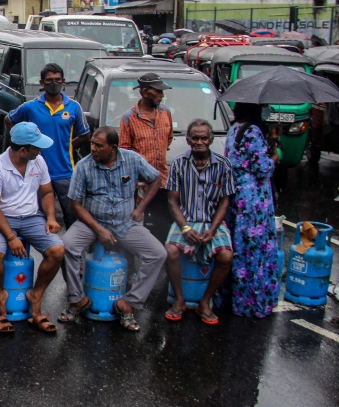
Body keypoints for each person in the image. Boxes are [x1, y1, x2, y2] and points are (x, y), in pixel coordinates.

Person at [59, 126, 166, 332]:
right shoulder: (84, 166)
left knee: (157, 253)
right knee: (66, 246)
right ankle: (76, 299)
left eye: (98, 146)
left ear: (113, 148)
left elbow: (155, 179)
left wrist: (141, 208)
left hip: (124, 223)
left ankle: (130, 302)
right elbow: (75, 205)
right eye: (92, 144)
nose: (93, 149)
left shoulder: (132, 160)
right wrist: (98, 229)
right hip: (92, 222)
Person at [0, 122, 64, 334]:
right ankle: (0, 301)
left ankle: (35, 297)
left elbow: (47, 192)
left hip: (31, 217)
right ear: (22, 150)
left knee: (57, 250)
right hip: (2, 218)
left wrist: (51, 217)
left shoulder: (38, 162)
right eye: (36, 147)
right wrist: (10, 237)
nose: (40, 150)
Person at [164, 119, 235, 325]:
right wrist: (185, 228)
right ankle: (179, 300)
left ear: (211, 139)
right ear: (188, 140)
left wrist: (212, 230)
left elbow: (225, 201)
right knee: (170, 251)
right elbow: (172, 201)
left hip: (212, 222)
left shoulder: (224, 165)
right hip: (185, 220)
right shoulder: (178, 163)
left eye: (204, 138)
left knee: (226, 256)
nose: (199, 142)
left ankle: (205, 302)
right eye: (195, 138)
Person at [6, 63, 90, 229]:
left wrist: (67, 145)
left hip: (65, 171)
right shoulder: (30, 107)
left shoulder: (74, 107)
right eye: (49, 80)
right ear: (42, 83)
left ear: (63, 81)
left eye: (57, 80)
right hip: (35, 171)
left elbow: (85, 135)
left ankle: (72, 252)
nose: (54, 83)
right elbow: (9, 120)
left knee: (73, 218)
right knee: (38, 218)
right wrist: (23, 141)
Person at [219, 103, 280, 318]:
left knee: (239, 245)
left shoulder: (235, 128)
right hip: (254, 199)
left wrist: (270, 140)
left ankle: (231, 297)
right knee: (253, 249)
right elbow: (262, 168)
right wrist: (274, 157)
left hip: (237, 195)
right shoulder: (253, 131)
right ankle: (250, 302)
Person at [119, 72, 174, 241]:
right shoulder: (129, 118)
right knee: (137, 226)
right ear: (144, 92)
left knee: (162, 225)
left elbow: (169, 138)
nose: (161, 95)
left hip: (162, 182)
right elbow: (124, 152)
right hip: (140, 184)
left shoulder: (166, 112)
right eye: (157, 91)